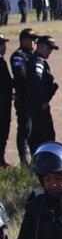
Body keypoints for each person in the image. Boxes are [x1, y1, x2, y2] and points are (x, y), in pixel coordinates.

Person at [26, 35, 59, 154]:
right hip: (38, 107)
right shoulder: (37, 61)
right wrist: (43, 100)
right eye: (49, 48)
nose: (50, 51)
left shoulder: (37, 60)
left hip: (36, 105)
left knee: (43, 136)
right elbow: (36, 80)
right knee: (44, 137)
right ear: (40, 46)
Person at [11, 29, 38, 165]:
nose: (34, 42)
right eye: (31, 39)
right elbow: (20, 76)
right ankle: (24, 159)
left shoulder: (32, 56)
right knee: (25, 128)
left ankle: (34, 157)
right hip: (24, 99)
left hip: (33, 99)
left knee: (34, 129)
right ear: (23, 41)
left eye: (35, 40)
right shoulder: (18, 56)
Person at [0, 35, 10, 167]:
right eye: (1, 44)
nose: (4, 47)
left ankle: (1, 159)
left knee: (3, 133)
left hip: (5, 104)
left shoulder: (2, 61)